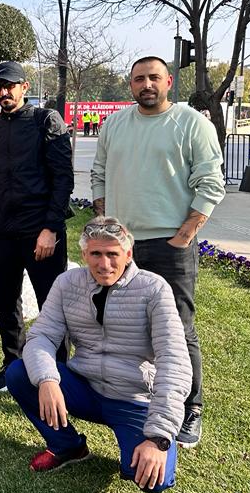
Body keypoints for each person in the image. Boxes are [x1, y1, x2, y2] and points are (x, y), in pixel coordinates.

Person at [91, 56, 225, 448]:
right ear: (130, 84)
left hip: (170, 245)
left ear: (168, 82)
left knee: (177, 328)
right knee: (124, 322)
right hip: (122, 246)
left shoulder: (192, 123)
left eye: (154, 77)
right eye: (138, 79)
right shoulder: (115, 124)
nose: (146, 84)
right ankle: (137, 393)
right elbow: (99, 174)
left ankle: (190, 406)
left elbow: (211, 182)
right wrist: (107, 225)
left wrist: (185, 234)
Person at [6, 217, 191, 493]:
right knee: (19, 373)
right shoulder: (67, 283)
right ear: (84, 254)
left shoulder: (154, 289)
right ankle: (67, 446)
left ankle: (145, 445)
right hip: (85, 387)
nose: (104, 264)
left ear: (128, 254)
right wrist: (47, 380)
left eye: (112, 254)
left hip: (132, 398)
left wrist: (159, 438)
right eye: (96, 254)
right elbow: (41, 336)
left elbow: (174, 362)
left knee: (153, 481)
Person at [0, 61, 74, 393]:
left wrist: (51, 228)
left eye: (10, 85)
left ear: (24, 86)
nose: (4, 92)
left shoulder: (45, 120)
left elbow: (63, 178)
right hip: (0, 231)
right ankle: (13, 364)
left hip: (40, 231)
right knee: (6, 302)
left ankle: (59, 372)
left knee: (51, 304)